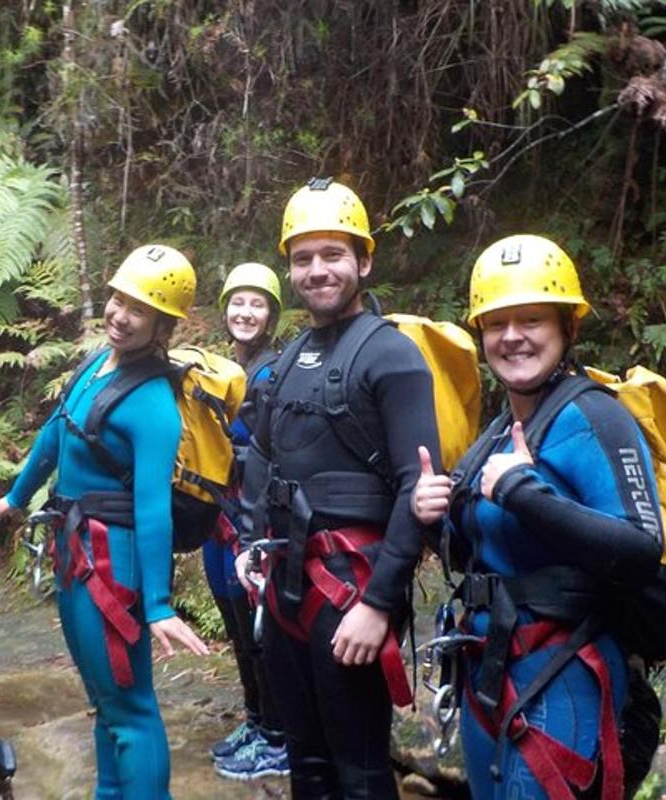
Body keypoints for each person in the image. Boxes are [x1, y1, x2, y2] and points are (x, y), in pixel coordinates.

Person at [412, 234, 664, 800]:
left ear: (567, 328)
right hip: (488, 668)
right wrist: (433, 517)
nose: (512, 337)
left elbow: (642, 549)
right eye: (496, 323)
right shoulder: (500, 429)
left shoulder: (595, 418)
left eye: (532, 320)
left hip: (564, 669)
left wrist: (525, 492)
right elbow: (479, 551)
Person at [234, 177, 442, 798]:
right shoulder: (291, 356)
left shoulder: (392, 356)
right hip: (287, 587)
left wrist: (378, 604)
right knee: (307, 764)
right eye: (303, 258)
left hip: (351, 586)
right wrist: (250, 543)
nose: (317, 270)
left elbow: (417, 483)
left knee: (361, 769)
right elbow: (263, 458)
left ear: (364, 260)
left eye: (333, 255)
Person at [0, 243, 210, 799]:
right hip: (75, 550)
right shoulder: (97, 363)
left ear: (163, 324)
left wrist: (157, 604)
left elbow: (153, 505)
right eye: (117, 298)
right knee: (105, 703)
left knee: (129, 708)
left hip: (112, 565)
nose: (119, 313)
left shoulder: (154, 402)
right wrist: (17, 495)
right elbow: (57, 431)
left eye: (138, 308)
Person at [205, 262, 290, 780]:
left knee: (260, 632)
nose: (245, 311)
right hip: (220, 521)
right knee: (238, 630)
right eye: (238, 302)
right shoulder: (223, 371)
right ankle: (257, 721)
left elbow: (271, 452)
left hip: (250, 522)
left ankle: (277, 737)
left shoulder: (272, 373)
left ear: (272, 315)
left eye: (257, 303)